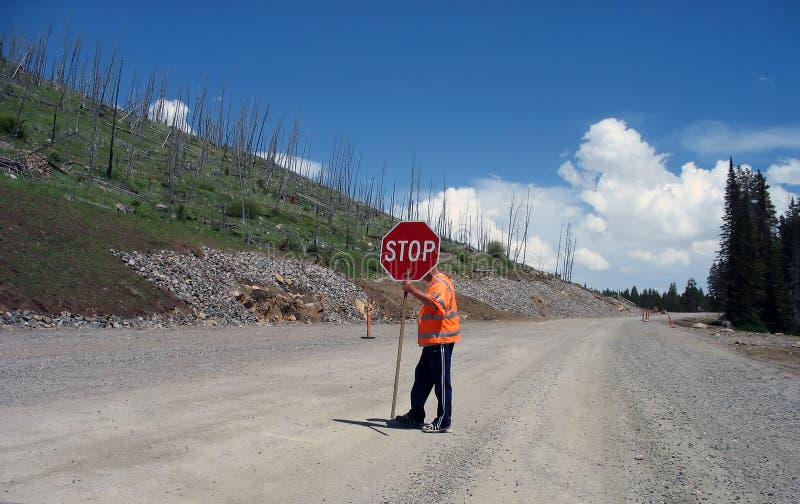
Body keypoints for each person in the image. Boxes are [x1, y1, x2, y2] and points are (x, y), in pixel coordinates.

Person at [394, 266, 461, 433]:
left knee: (441, 383)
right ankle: (416, 415)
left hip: (441, 340)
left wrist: (412, 290)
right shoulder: (436, 283)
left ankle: (444, 421)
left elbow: (435, 304)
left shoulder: (440, 283)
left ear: (429, 268)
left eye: (420, 271)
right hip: (433, 341)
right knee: (422, 379)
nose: (419, 276)